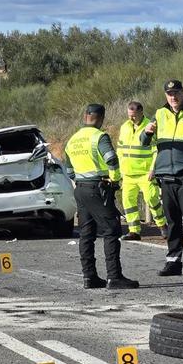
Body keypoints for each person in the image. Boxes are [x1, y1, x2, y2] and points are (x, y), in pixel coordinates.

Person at [63, 104, 138, 290]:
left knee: (86, 234)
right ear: (101, 118)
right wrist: (114, 179)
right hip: (98, 188)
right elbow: (111, 158)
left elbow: (69, 170)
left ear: (85, 116)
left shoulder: (73, 140)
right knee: (111, 230)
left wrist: (80, 179)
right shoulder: (99, 136)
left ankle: (89, 277)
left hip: (80, 189)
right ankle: (114, 276)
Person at [141, 79, 183, 277]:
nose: (173, 97)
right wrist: (146, 133)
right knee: (172, 221)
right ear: (165, 96)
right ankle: (173, 262)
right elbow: (145, 142)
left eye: (176, 93)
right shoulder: (160, 114)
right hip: (165, 175)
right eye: (170, 94)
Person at [116, 100, 168, 241]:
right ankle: (134, 231)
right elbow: (120, 149)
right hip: (128, 173)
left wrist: (153, 168)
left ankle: (162, 225)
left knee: (152, 199)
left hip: (145, 172)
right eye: (129, 115)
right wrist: (120, 169)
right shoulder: (124, 127)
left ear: (141, 112)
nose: (131, 118)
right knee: (128, 202)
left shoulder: (149, 126)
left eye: (133, 115)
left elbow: (156, 149)